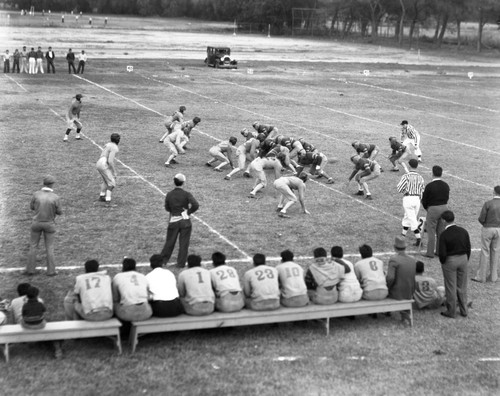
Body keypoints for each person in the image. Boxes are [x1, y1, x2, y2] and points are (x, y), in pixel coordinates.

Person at [160, 173, 199, 268]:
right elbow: (195, 205)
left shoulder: (169, 194)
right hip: (185, 222)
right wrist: (188, 212)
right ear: (183, 183)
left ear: (174, 182)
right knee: (184, 244)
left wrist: (173, 211)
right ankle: (181, 263)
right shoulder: (186, 194)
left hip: (173, 220)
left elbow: (167, 207)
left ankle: (163, 260)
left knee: (169, 242)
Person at [26, 175, 62, 276]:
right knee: (49, 247)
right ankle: (51, 271)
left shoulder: (36, 194)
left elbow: (32, 207)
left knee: (33, 246)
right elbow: (59, 212)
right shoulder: (55, 197)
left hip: (36, 223)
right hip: (49, 224)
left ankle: (30, 269)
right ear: (51, 184)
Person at [438, 210, 471, 318]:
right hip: (463, 259)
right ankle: (464, 310)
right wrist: (466, 259)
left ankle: (451, 311)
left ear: (443, 221)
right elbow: (468, 247)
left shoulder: (444, 234)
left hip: (450, 261)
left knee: (451, 287)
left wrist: (444, 262)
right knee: (462, 286)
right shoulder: (463, 231)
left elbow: (442, 253)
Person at [421, 165, 450, 258]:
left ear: (432, 173)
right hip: (444, 208)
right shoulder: (446, 185)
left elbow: (424, 200)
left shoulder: (429, 186)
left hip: (433, 209)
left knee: (431, 231)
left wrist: (428, 209)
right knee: (441, 231)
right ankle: (439, 251)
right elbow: (447, 197)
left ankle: (430, 252)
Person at [112, 257, 152, 322]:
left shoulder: (118, 277)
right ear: (135, 267)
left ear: (123, 267)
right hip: (146, 313)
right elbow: (148, 296)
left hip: (128, 314)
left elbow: (115, 298)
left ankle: (123, 329)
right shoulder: (142, 276)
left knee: (115, 304)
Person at [474, 185, 500, 283]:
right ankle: (493, 277)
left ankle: (481, 276)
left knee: (485, 251)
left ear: (494, 192)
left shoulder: (488, 203)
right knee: (495, 251)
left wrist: (485, 224)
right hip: (499, 229)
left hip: (488, 228)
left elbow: (481, 218)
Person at [397, 158, 425, 246]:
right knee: (408, 216)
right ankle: (403, 235)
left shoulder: (406, 176)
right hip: (417, 199)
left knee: (412, 219)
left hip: (408, 198)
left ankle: (419, 239)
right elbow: (422, 190)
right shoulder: (420, 177)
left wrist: (405, 192)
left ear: (409, 166)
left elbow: (399, 188)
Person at [96, 133, 120, 202]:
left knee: (105, 181)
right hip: (104, 164)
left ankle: (102, 196)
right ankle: (108, 200)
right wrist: (114, 171)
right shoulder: (114, 147)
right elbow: (110, 161)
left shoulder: (108, 144)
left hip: (99, 162)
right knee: (112, 183)